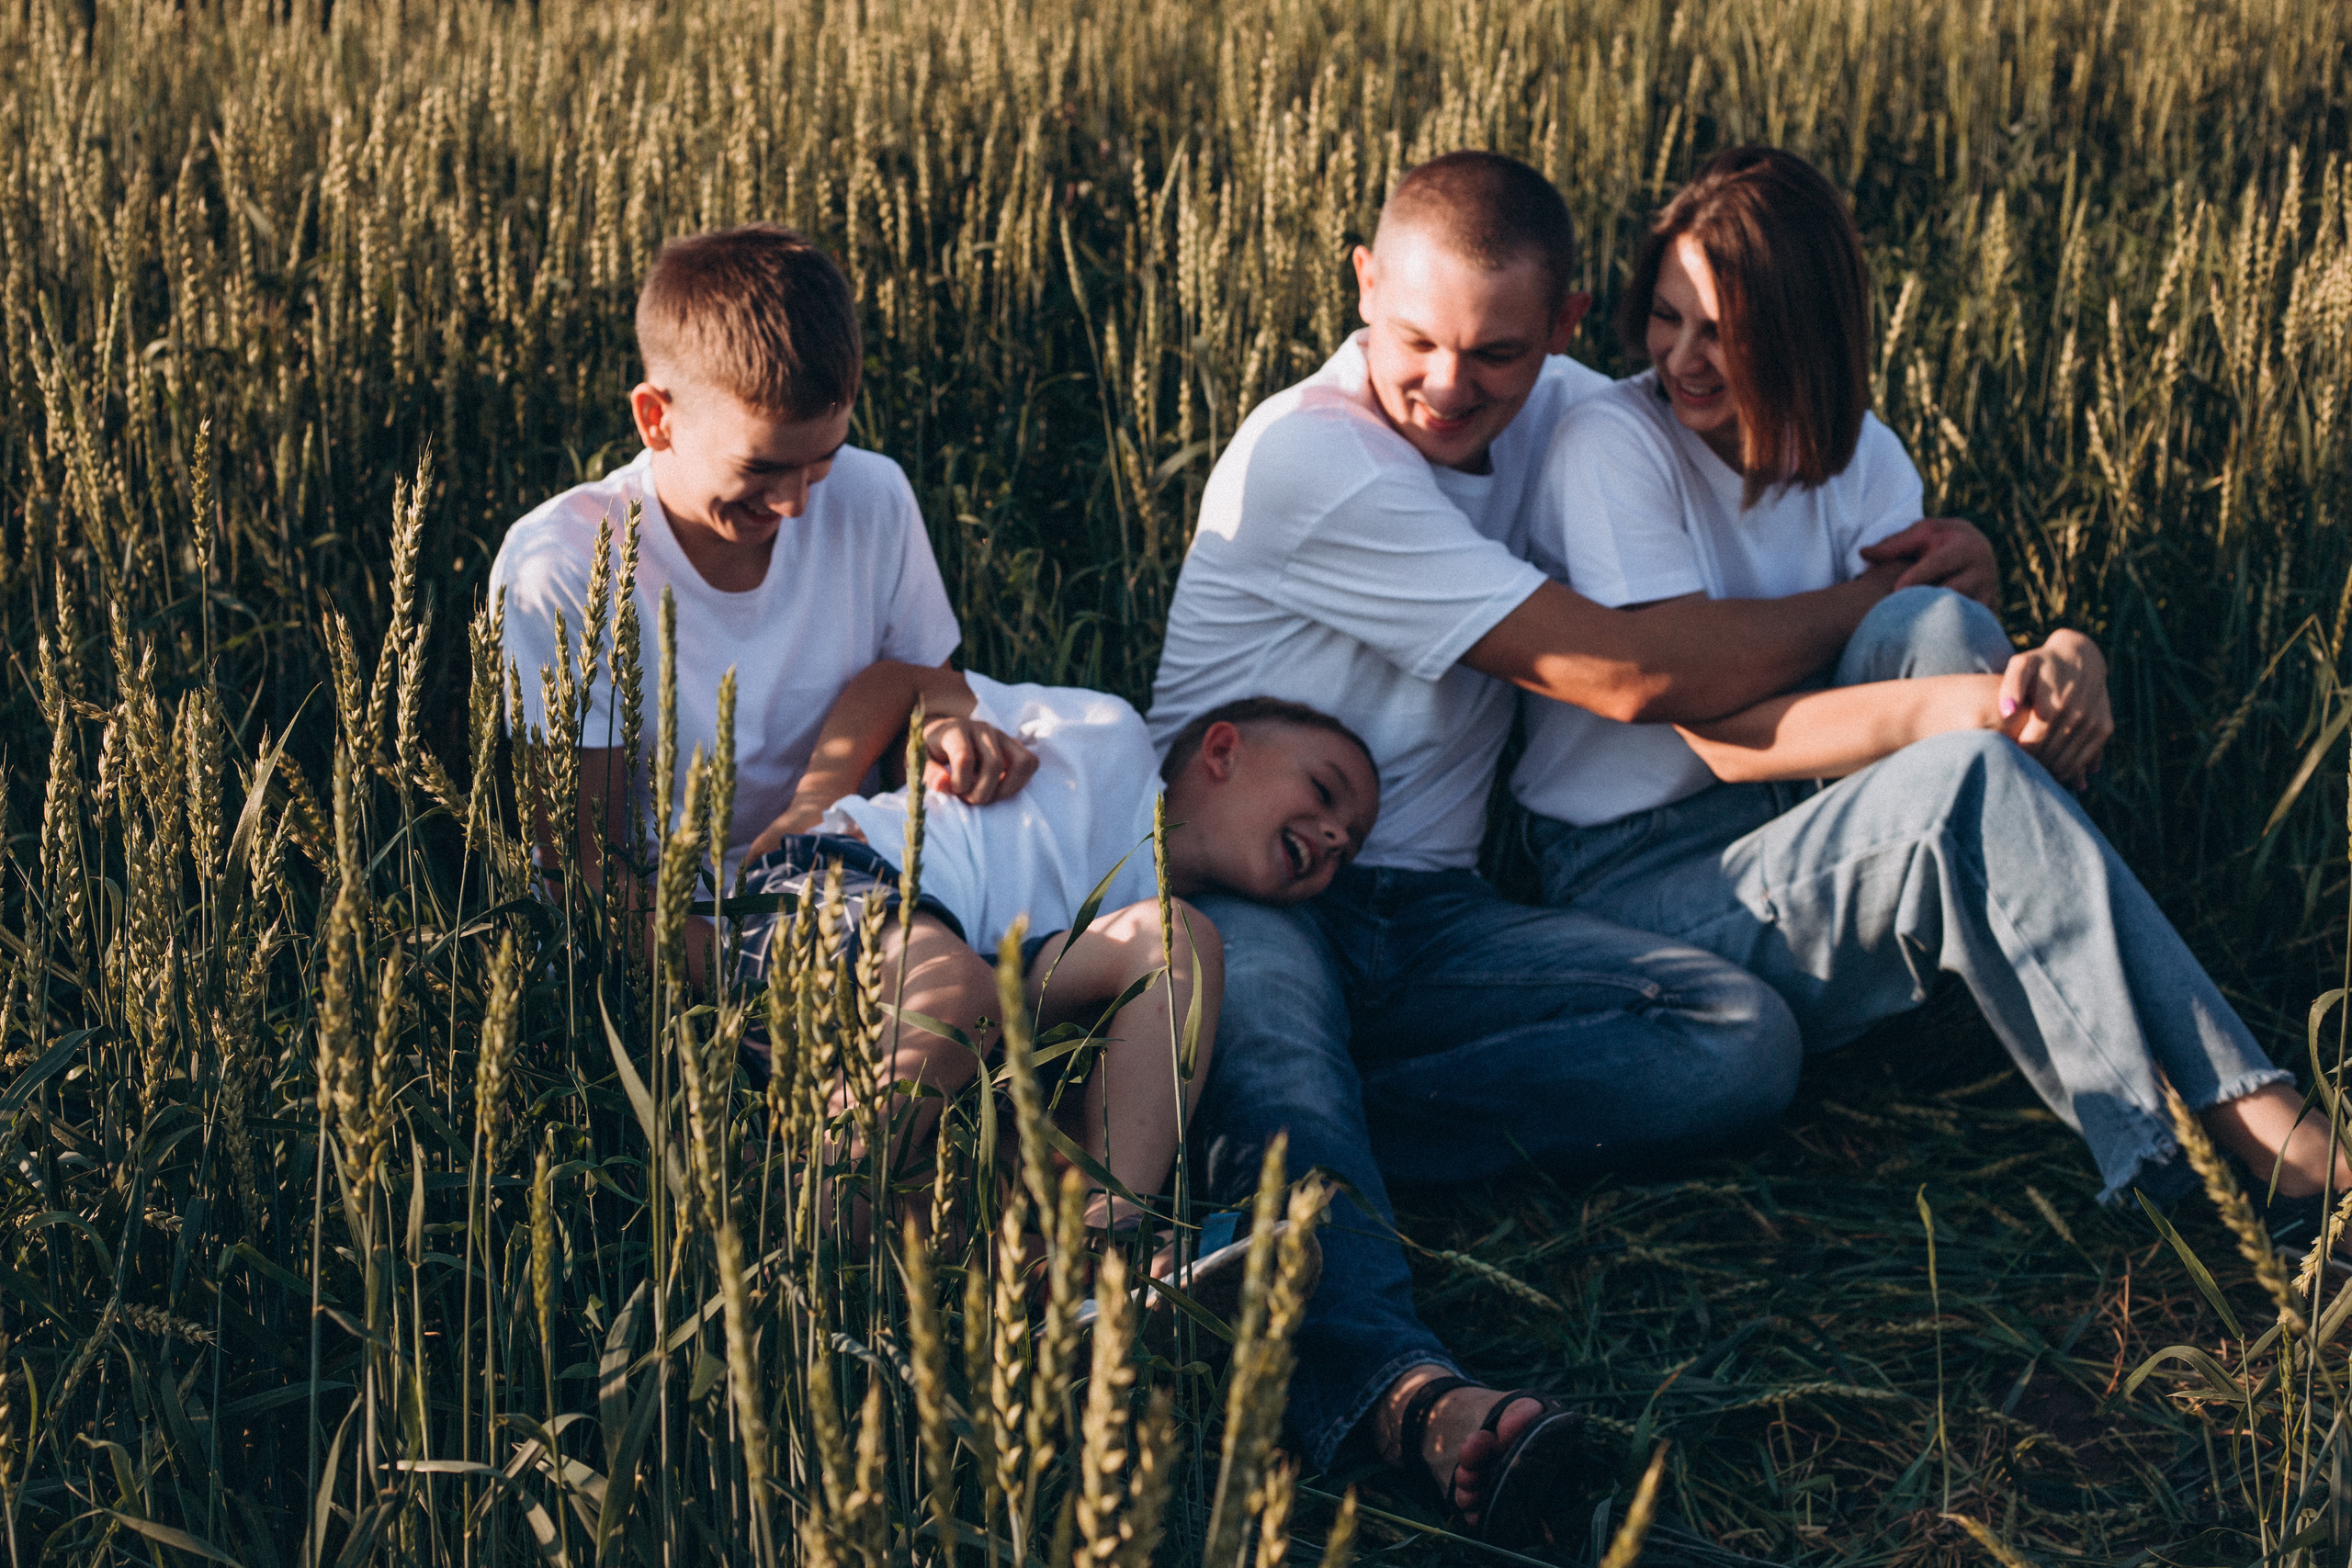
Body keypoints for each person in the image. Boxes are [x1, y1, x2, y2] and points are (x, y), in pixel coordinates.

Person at [1146, 150, 1992, 1544]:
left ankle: (1267, 1144)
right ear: (1363, 284)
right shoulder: (1312, 456)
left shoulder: (1575, 420)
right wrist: (1870, 601)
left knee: (1737, 1038)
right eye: (1415, 338)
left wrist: (1942, 571)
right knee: (1280, 1038)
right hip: (1254, 892)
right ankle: (1404, 1396)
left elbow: (1730, 501)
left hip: (1435, 908)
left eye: (1497, 352)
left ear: (1565, 323)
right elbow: (1628, 671)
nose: (1447, 384)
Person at [1511, 144, 2345, 1219]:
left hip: (1802, 821)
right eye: (1665, 318)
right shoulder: (1611, 446)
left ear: (1804, 328)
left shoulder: (1861, 455)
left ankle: (2160, 1086)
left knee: (1939, 621)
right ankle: (2231, 1148)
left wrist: (2064, 653)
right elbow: (1716, 733)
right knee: (1963, 765)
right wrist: (1976, 710)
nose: (1680, 356)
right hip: (1642, 882)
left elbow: (1928, 646)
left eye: (1720, 330)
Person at [488, 223, 1036, 1007]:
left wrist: (950, 736)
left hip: (866, 882)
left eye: (823, 461)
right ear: (656, 418)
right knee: (948, 1006)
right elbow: (584, 869)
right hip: (671, 949)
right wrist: (772, 995)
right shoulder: (564, 566)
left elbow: (928, 695)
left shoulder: (874, 497)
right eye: (762, 467)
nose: (796, 504)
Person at [738, 659, 1379, 1245]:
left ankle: (1104, 1244)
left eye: (1347, 849)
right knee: (957, 996)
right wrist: (814, 800)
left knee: (1178, 937)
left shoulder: (1141, 915)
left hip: (978, 989)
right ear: (1221, 750)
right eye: (1325, 791)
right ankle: (806, 1218)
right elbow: (898, 683)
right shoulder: (1108, 735)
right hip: (847, 886)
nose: (1333, 837)